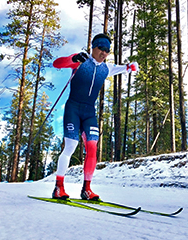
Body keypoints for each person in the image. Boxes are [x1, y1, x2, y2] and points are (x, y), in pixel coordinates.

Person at [52, 33, 139, 201]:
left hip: (89, 112)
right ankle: (59, 187)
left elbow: (124, 68)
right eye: (101, 48)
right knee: (71, 146)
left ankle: (87, 189)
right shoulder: (81, 60)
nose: (104, 53)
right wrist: (74, 58)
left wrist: (131, 67)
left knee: (92, 147)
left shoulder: (107, 68)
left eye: (107, 50)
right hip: (73, 108)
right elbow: (57, 63)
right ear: (93, 47)